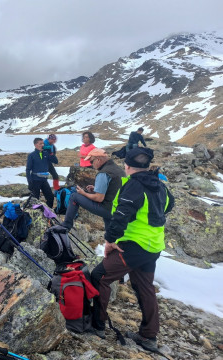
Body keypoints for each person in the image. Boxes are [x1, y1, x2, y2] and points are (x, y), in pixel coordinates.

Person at [90, 147, 174, 352]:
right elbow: (169, 205)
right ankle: (148, 336)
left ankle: (97, 326)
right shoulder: (159, 184)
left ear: (126, 166)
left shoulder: (133, 185)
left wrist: (110, 241)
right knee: (144, 287)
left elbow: (121, 215)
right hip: (153, 246)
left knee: (99, 276)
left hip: (134, 246)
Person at [60, 148, 125, 231]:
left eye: (91, 162)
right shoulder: (118, 169)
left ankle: (66, 226)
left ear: (98, 159)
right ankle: (110, 235)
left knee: (74, 196)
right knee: (110, 227)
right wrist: (96, 189)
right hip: (119, 209)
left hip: (108, 209)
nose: (91, 164)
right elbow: (114, 188)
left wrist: (84, 193)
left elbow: (99, 198)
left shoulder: (103, 173)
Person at [26, 137, 58, 208]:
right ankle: (36, 213)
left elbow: (56, 161)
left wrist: (51, 153)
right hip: (35, 181)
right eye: (40, 144)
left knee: (50, 197)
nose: (42, 145)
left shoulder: (46, 154)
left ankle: (47, 212)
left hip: (44, 180)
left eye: (43, 143)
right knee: (35, 200)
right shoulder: (31, 155)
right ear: (35, 145)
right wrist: (30, 182)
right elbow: (28, 170)